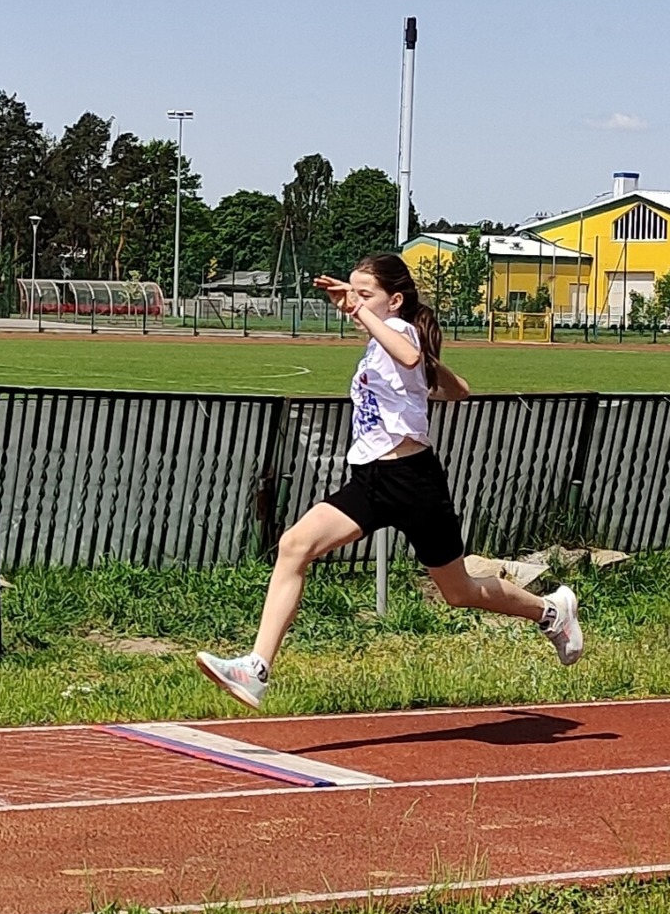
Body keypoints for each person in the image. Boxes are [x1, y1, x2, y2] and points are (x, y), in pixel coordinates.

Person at [197, 252, 583, 710]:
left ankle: (551, 611)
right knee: (294, 545)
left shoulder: (398, 332)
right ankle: (257, 668)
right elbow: (456, 389)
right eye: (352, 293)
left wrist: (374, 322)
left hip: (413, 482)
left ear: (394, 300)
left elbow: (410, 352)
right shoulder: (382, 344)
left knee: (458, 592)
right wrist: (432, 376)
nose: (352, 303)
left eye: (365, 294)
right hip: (371, 480)